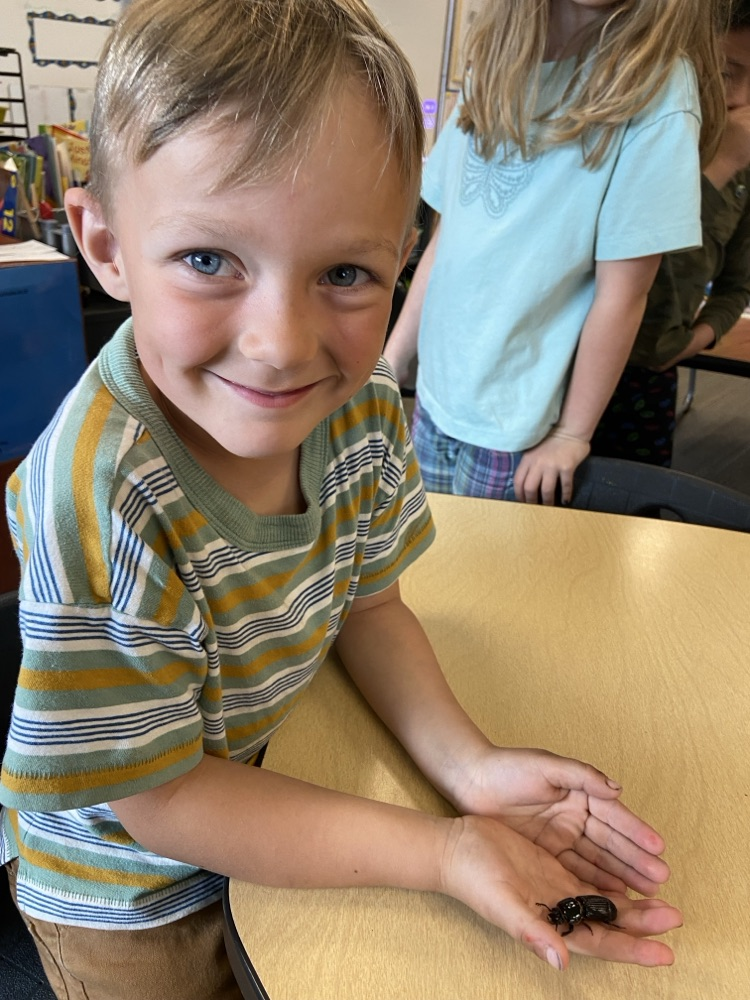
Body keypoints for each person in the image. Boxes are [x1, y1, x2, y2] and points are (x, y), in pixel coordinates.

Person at [0, 1, 682, 997]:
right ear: (103, 244)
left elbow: (371, 604)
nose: (283, 343)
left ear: (402, 255)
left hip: (285, 795)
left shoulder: (359, 408)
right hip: (134, 898)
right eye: (207, 259)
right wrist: (442, 850)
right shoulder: (103, 497)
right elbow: (161, 793)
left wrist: (471, 766)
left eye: (346, 273)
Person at [384, 0, 727, 505]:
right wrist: (393, 359)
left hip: (517, 421)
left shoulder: (657, 90)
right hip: (437, 395)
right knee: (423, 555)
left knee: (484, 571)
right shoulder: (496, 57)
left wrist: (571, 433)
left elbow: (624, 293)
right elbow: (448, 239)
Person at [592, 0, 750, 466]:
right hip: (576, 362)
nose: (741, 98)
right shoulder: (645, 135)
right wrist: (717, 168)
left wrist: (696, 339)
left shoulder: (743, 171)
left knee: (633, 516)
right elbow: (644, 271)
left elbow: (736, 286)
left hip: (649, 377)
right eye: (726, 73)